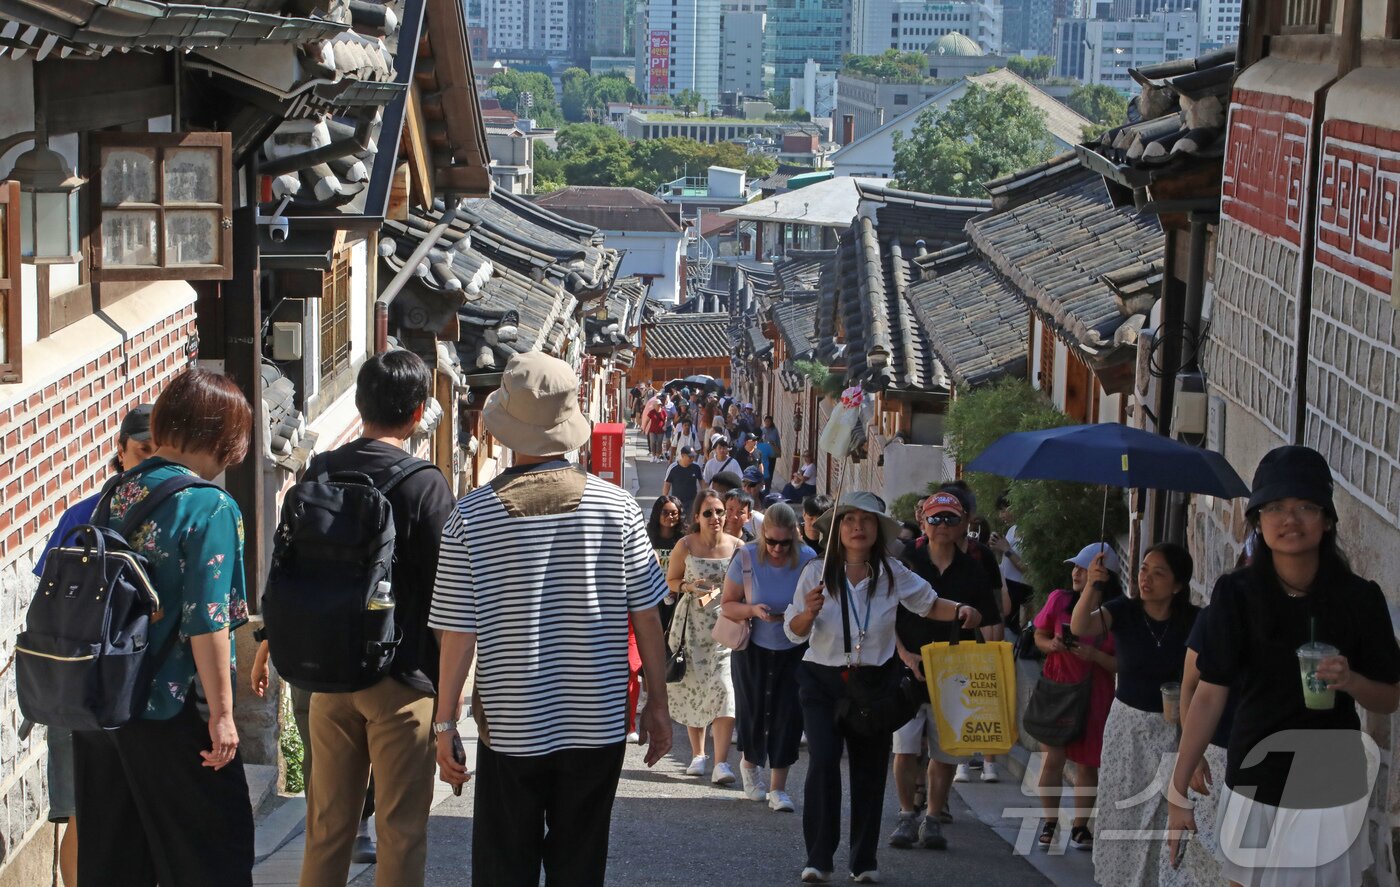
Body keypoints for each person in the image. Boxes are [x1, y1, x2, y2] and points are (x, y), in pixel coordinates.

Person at [432, 351, 672, 887]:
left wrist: (445, 722)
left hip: (512, 720)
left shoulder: (469, 517)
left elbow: (458, 632)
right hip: (597, 718)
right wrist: (658, 703)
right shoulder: (619, 509)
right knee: (579, 866)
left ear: (506, 431)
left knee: (503, 867)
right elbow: (647, 619)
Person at [1167, 446, 1400, 887]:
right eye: (1274, 507)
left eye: (1306, 507)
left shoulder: (1358, 599)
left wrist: (1350, 680)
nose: (1289, 520)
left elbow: (1388, 698)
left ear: (1327, 520)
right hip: (1255, 776)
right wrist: (1178, 790)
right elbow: (1209, 695)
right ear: (1258, 520)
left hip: (1331, 784)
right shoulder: (1236, 595)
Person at [72, 370, 254, 887]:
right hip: (172, 710)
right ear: (225, 438)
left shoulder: (120, 490)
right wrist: (222, 715)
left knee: (117, 859)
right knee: (211, 855)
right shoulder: (210, 506)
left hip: (106, 701)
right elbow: (207, 622)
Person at [291, 351, 456, 887]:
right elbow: (445, 594)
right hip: (399, 680)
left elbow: (290, 566)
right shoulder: (424, 485)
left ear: (360, 406)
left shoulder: (320, 472)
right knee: (400, 830)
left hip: (327, 678)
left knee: (326, 828)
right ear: (419, 412)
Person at [784, 492, 981, 883]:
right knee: (823, 762)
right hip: (822, 680)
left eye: (867, 520)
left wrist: (960, 610)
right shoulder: (815, 573)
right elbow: (793, 633)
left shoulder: (893, 572)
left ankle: (864, 862)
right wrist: (808, 612)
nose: (858, 526)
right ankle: (819, 858)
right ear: (837, 529)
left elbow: (929, 603)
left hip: (874, 683)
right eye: (850, 519)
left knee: (869, 771)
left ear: (878, 530)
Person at [33, 404, 157, 887]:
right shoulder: (83, 516)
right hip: (81, 682)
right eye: (141, 450)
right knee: (85, 810)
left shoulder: (160, 509)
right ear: (120, 453)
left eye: (157, 451)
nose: (148, 460)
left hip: (116, 684)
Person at [1071, 543, 1198, 885]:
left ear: (1177, 585)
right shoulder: (1123, 611)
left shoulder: (1193, 621)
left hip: (1174, 729)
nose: (1147, 578)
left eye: (1159, 573)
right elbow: (1080, 626)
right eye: (1144, 569)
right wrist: (1093, 586)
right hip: (1127, 728)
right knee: (1122, 812)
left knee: (1161, 816)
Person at [888, 492, 1002, 852]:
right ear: (923, 522)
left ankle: (934, 817)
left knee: (945, 752)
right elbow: (884, 614)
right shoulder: (907, 563)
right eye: (935, 519)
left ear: (962, 525)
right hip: (909, 668)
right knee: (904, 749)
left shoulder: (973, 568)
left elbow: (989, 616)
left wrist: (974, 617)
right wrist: (905, 655)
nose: (942, 526)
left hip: (955, 672)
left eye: (950, 519)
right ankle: (907, 814)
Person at [720, 503, 816, 813]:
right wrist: (752, 610)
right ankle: (749, 764)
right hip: (753, 648)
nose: (776, 549)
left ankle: (779, 788)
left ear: (795, 537)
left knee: (788, 715)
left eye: (784, 543)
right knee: (753, 711)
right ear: (762, 535)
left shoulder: (808, 560)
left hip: (794, 647)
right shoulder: (747, 556)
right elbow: (727, 605)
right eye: (770, 541)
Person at [1030, 543, 1120, 852]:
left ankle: (1080, 827)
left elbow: (1121, 663)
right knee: (1052, 759)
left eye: (1083, 568)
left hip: (1096, 692)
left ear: (1103, 574)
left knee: (1086, 764)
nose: (1075, 572)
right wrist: (1051, 645)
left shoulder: (1116, 612)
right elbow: (1038, 636)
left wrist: (1094, 654)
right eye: (1076, 566)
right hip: (1058, 686)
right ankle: (1049, 821)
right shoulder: (1059, 600)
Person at [666, 489, 742, 785]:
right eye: (708, 513)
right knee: (694, 687)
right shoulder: (685, 545)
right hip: (693, 627)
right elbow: (671, 580)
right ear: (696, 517)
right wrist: (688, 587)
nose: (715, 518)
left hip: (726, 627)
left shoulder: (738, 546)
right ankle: (699, 754)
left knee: (725, 689)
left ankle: (721, 762)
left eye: (719, 511)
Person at [990, 495, 1033, 634]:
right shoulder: (1012, 529)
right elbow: (1004, 559)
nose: (1001, 515)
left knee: (1010, 628)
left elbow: (1029, 569)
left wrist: (1007, 550)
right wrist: (997, 548)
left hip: (1020, 587)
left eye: (1004, 510)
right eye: (1000, 511)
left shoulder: (1030, 531)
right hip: (1006, 584)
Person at [647, 495, 686, 632]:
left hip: (677, 593)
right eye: (665, 512)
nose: (670, 516)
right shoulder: (646, 535)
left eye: (674, 513)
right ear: (657, 513)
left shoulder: (685, 539)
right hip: (652, 593)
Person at [662, 446, 705, 517]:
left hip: (692, 500)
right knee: (677, 521)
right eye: (690, 457)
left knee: (691, 521)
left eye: (693, 456)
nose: (692, 459)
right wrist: (664, 500)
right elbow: (667, 484)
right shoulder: (673, 468)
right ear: (682, 456)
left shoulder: (696, 467)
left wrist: (705, 495)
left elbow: (702, 481)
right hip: (676, 501)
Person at [642, 397, 666, 462]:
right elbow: (647, 420)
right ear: (654, 406)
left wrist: (665, 425)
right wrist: (644, 429)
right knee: (652, 443)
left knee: (659, 443)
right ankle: (653, 456)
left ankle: (658, 457)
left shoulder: (663, 411)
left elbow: (665, 419)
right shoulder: (652, 412)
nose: (659, 406)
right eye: (657, 405)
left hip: (661, 430)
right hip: (652, 430)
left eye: (659, 405)